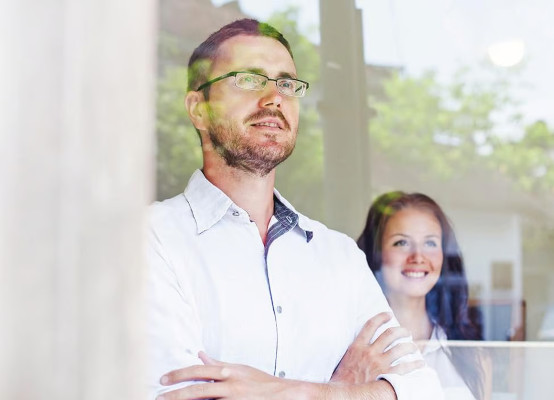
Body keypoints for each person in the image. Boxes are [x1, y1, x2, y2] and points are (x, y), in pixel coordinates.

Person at [147, 19, 443, 400]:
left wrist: (300, 393)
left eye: (286, 83)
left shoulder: (339, 256)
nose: (275, 98)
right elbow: (171, 395)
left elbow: (425, 390)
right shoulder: (150, 239)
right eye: (250, 79)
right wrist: (344, 388)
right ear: (198, 108)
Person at [357, 191, 492, 400]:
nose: (418, 257)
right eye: (401, 243)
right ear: (376, 254)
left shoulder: (473, 357)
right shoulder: (355, 353)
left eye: (430, 243)